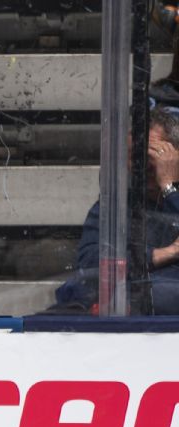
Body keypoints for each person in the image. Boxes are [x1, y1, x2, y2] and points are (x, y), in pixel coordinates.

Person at [53, 108, 179, 315]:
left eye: (152, 154)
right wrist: (158, 255)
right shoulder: (116, 205)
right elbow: (89, 261)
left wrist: (168, 187)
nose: (141, 165)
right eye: (133, 156)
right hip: (127, 303)